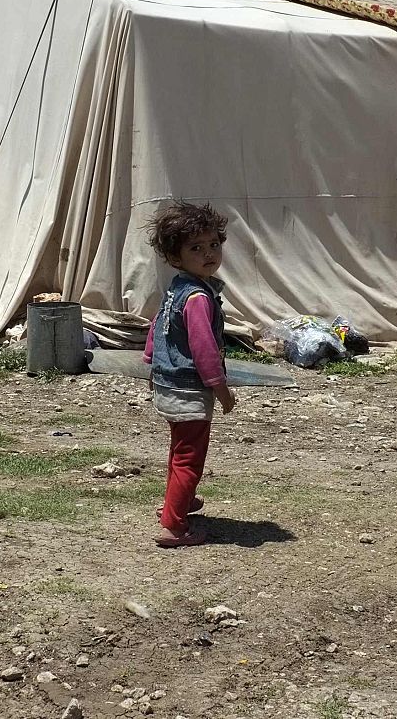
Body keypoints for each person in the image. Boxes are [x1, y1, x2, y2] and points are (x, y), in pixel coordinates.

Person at [142, 201, 237, 548]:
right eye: (196, 248)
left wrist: (150, 364)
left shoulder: (178, 287)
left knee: (179, 449)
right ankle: (174, 526)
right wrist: (221, 389)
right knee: (188, 457)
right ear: (175, 257)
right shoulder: (198, 297)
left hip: (168, 383)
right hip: (189, 388)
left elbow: (157, 327)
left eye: (214, 244)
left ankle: (177, 501)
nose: (208, 253)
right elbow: (204, 348)